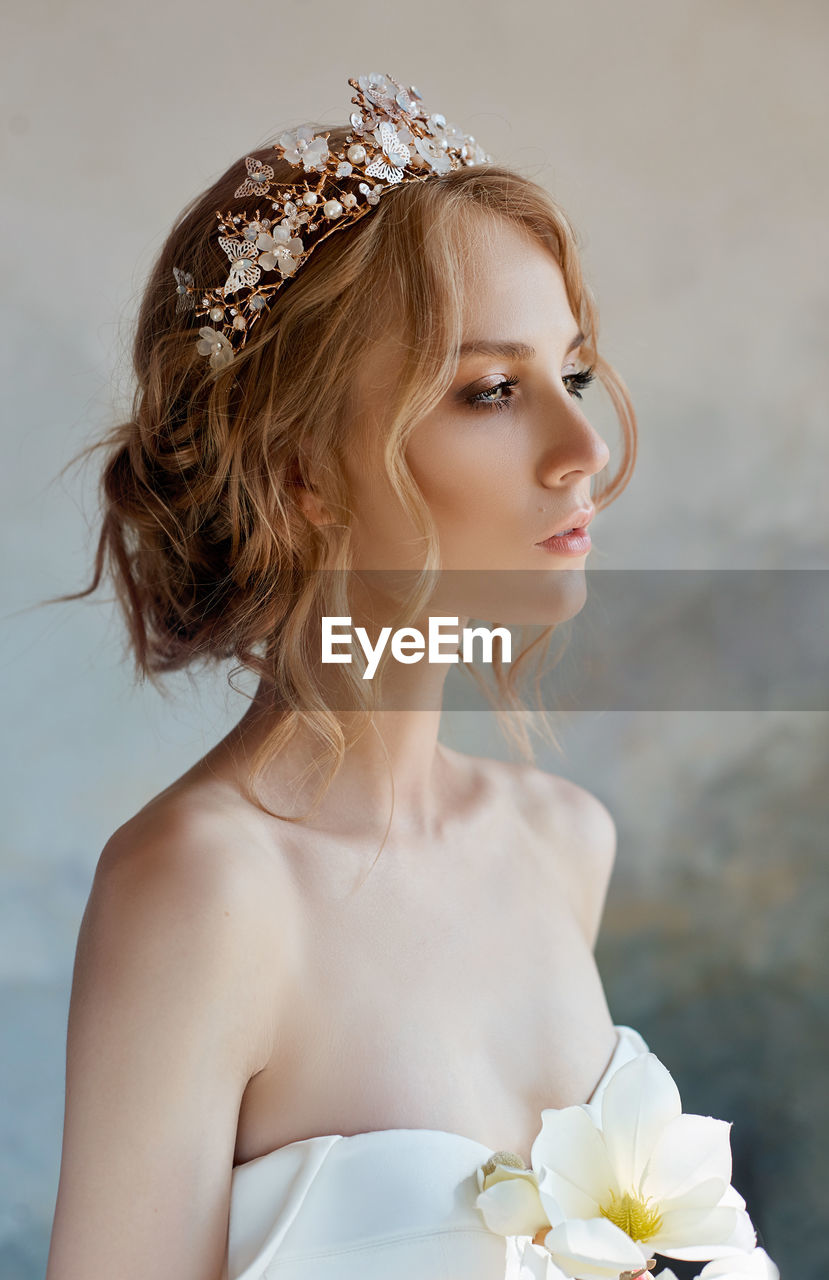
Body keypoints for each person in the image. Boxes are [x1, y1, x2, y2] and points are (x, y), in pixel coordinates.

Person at [45, 73, 771, 1280]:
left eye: (572, 374)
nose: (583, 448)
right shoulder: (201, 890)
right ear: (299, 474)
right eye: (492, 389)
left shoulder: (561, 841)